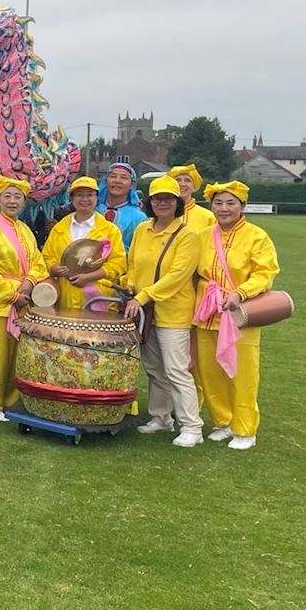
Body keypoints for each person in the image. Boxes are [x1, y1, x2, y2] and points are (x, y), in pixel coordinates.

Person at [193, 180, 280, 450]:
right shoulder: (203, 236)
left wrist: (240, 293)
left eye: (231, 203)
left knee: (242, 375)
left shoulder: (257, 236)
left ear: (242, 205)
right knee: (209, 372)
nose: (224, 208)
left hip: (239, 314)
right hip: (207, 311)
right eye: (218, 203)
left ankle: (244, 429)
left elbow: (265, 273)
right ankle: (223, 421)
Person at [121, 176, 203, 446]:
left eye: (169, 199)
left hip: (173, 312)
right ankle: (162, 418)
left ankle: (192, 426)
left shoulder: (188, 235)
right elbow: (133, 263)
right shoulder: (143, 229)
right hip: (145, 311)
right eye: (157, 199)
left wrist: (143, 295)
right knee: (154, 368)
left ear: (178, 202)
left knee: (176, 370)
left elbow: (178, 275)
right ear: (150, 202)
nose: (163, 203)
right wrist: (130, 283)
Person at [0, 175, 48, 421]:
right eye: (7, 196)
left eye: (18, 197)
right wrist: (13, 295)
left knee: (19, 354)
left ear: (24, 202)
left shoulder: (25, 229)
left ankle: (11, 400)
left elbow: (38, 262)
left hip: (24, 300)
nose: (12, 201)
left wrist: (28, 284)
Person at [42, 176, 126, 311]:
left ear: (97, 198)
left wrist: (89, 277)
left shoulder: (110, 230)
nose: (85, 199)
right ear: (71, 198)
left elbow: (118, 264)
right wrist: (54, 268)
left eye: (90, 195)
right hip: (65, 298)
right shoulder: (59, 228)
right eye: (80, 195)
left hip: (98, 299)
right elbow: (47, 257)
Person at [100, 162, 147, 250]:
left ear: (132, 185)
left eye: (124, 178)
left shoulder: (139, 218)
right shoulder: (93, 210)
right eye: (113, 176)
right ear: (105, 181)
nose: (117, 181)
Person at [169, 163, 215, 229]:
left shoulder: (208, 217)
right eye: (178, 180)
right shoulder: (162, 214)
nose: (182, 184)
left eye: (187, 180)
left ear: (194, 186)